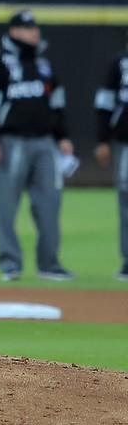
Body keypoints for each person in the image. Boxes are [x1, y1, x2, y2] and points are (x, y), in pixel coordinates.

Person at [0, 10, 75, 282]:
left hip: (45, 142)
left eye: (35, 28)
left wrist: (63, 136)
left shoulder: (44, 64)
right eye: (29, 28)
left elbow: (57, 104)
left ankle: (49, 264)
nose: (35, 32)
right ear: (14, 32)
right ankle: (10, 264)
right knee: (7, 205)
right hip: (11, 141)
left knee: (50, 203)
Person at [94, 51, 128, 281]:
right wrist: (102, 139)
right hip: (126, 142)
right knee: (126, 200)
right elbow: (104, 103)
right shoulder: (120, 64)